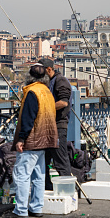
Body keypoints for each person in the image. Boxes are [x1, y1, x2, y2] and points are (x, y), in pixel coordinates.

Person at [3, 64, 58, 218]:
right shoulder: (47, 92)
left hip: (33, 140)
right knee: (39, 175)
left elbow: (28, 118)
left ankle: (20, 210)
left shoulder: (32, 92)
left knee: (21, 174)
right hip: (47, 139)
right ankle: (36, 207)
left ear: (29, 77)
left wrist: (21, 139)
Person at [38, 58, 73, 191]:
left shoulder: (61, 81)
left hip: (58, 126)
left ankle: (67, 190)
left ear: (49, 70)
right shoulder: (48, 83)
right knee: (44, 160)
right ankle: (47, 188)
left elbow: (63, 102)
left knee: (60, 159)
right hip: (47, 126)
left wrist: (44, 107)